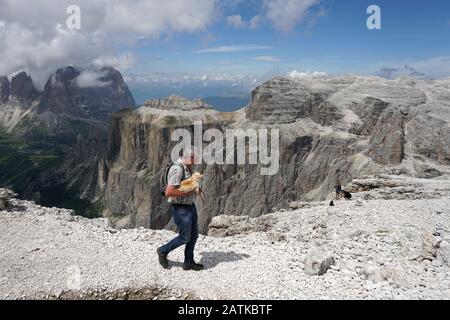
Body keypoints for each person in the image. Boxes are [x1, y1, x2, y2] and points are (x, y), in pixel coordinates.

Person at [157, 149, 204, 271]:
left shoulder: (186, 168)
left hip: (189, 207)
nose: (195, 161)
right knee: (185, 237)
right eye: (194, 158)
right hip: (181, 209)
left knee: (193, 236)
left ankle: (188, 262)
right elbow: (169, 192)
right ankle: (163, 250)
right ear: (187, 158)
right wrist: (191, 191)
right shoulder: (177, 169)